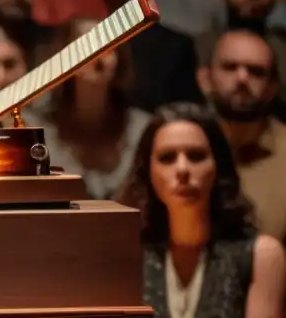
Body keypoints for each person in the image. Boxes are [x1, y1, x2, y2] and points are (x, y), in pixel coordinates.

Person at [116, 102, 285, 317]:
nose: (183, 169)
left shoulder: (260, 256)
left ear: (218, 166)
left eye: (196, 156)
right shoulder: (125, 257)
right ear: (147, 171)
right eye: (167, 158)